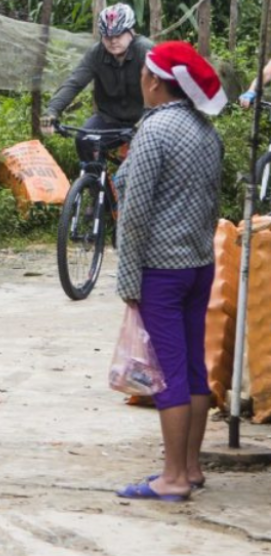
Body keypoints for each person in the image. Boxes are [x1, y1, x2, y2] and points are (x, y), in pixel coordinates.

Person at [113, 40, 226, 502]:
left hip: (161, 270)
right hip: (199, 265)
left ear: (156, 82)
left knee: (167, 372)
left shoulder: (155, 131)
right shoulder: (206, 131)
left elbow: (136, 213)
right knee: (194, 365)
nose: (140, 79)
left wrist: (128, 278)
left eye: (143, 73)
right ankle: (191, 467)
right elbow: (210, 202)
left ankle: (173, 478)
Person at [41, 3, 153, 161]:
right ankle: (94, 176)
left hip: (144, 118)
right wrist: (51, 112)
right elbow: (74, 83)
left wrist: (144, 121)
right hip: (110, 119)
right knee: (84, 140)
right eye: (107, 36)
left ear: (131, 32)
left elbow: (161, 89)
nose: (113, 41)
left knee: (140, 160)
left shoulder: (145, 50)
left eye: (118, 35)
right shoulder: (96, 53)